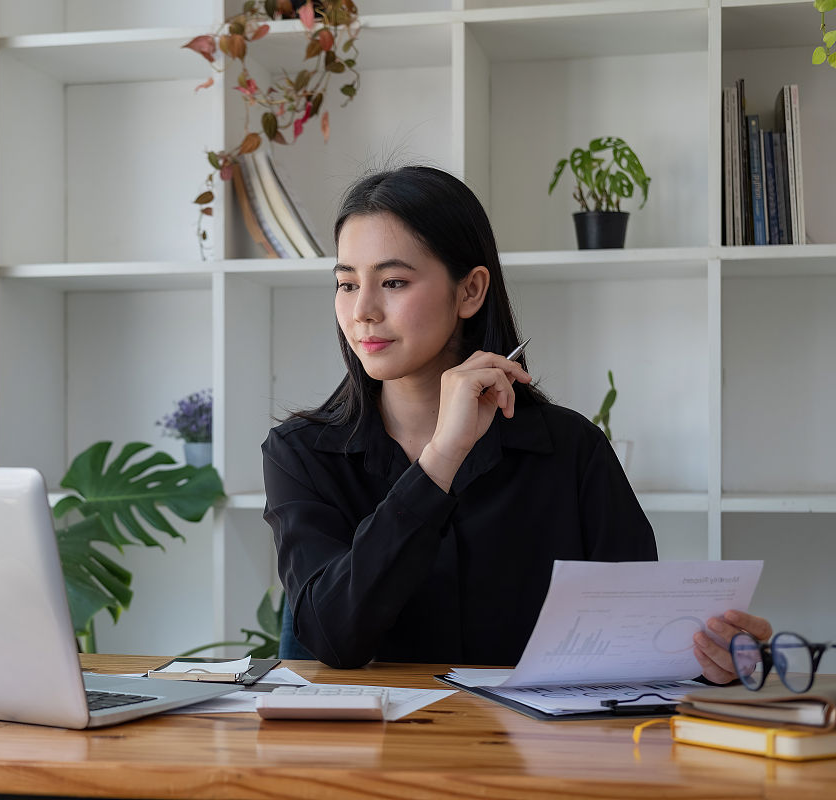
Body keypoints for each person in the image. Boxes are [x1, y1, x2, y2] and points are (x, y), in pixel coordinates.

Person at [261, 165, 769, 682]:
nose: (362, 310)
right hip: (379, 755)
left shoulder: (571, 450)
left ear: (470, 291)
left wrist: (713, 659)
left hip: (540, 755)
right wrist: (441, 459)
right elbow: (332, 639)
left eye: (392, 281)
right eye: (347, 283)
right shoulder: (301, 454)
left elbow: (634, 641)